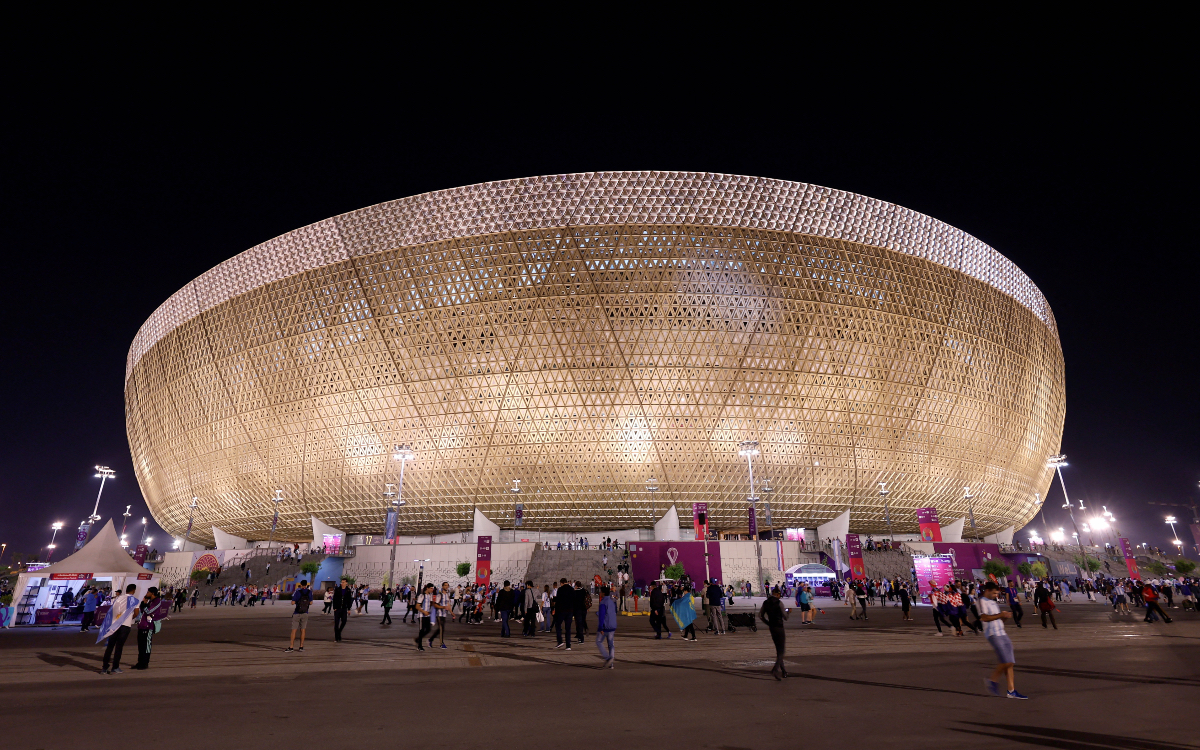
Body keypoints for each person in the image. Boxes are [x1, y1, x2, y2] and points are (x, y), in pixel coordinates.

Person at [980, 581, 1027, 699]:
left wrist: (1004, 617)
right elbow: (984, 617)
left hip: (1002, 633)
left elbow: (997, 618)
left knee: (1010, 662)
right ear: (988, 591)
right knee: (1006, 661)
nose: (996, 595)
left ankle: (1011, 690)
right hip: (993, 634)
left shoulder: (993, 602)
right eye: (995, 593)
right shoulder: (981, 601)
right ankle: (992, 680)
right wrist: (1001, 615)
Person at [98, 584, 140, 674]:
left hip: (114, 625)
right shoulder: (135, 600)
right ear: (134, 590)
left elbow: (113, 610)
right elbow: (136, 613)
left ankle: (104, 667)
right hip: (125, 626)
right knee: (119, 647)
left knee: (110, 646)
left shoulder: (119, 598)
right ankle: (115, 667)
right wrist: (129, 618)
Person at [132, 587, 169, 670]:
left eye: (148, 592)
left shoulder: (157, 601)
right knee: (141, 646)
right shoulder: (150, 601)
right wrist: (143, 603)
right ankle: (140, 662)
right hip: (142, 625)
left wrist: (144, 605)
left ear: (152, 593)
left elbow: (149, 611)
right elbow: (143, 611)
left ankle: (145, 663)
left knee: (146, 646)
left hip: (149, 627)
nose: (146, 594)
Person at [760, 586, 789, 680]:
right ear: (777, 594)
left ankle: (784, 671)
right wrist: (789, 612)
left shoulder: (766, 602)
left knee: (778, 649)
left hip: (772, 627)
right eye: (779, 594)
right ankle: (775, 669)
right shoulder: (779, 603)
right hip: (779, 627)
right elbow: (785, 617)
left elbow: (760, 616)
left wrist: (768, 623)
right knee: (781, 651)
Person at [285, 580, 312, 652]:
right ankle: (301, 646)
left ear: (300, 584)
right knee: (303, 630)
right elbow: (311, 602)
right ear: (306, 584)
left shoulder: (298, 592)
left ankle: (291, 647)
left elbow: (292, 602)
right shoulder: (309, 592)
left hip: (297, 612)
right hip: (305, 612)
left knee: (294, 630)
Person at [596, 585, 617, 668]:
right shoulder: (612, 601)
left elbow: (602, 616)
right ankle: (611, 663)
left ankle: (607, 657)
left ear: (603, 593)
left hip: (606, 626)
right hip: (613, 625)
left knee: (598, 641)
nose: (600, 593)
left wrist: (601, 627)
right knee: (611, 644)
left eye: (601, 592)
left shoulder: (603, 602)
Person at [554, 578, 574, 650]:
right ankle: (568, 646)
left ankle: (560, 641)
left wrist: (555, 611)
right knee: (568, 628)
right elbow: (573, 601)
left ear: (561, 583)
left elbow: (558, 601)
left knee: (558, 625)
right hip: (570, 611)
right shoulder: (572, 589)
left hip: (561, 610)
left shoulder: (560, 589)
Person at [429, 582, 451, 648]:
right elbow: (435, 604)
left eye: (447, 585)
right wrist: (443, 607)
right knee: (441, 629)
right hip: (439, 614)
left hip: (444, 614)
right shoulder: (439, 595)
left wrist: (452, 613)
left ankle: (430, 639)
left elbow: (448, 605)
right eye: (445, 585)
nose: (446, 586)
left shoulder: (447, 594)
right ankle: (441, 643)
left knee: (440, 629)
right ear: (442, 586)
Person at [414, 583, 434, 651]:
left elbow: (430, 604)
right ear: (427, 588)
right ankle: (419, 646)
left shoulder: (430, 596)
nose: (432, 590)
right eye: (431, 588)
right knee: (421, 630)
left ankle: (418, 639)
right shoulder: (422, 596)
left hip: (427, 615)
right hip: (422, 615)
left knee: (428, 629)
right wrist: (424, 611)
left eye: (432, 588)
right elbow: (417, 606)